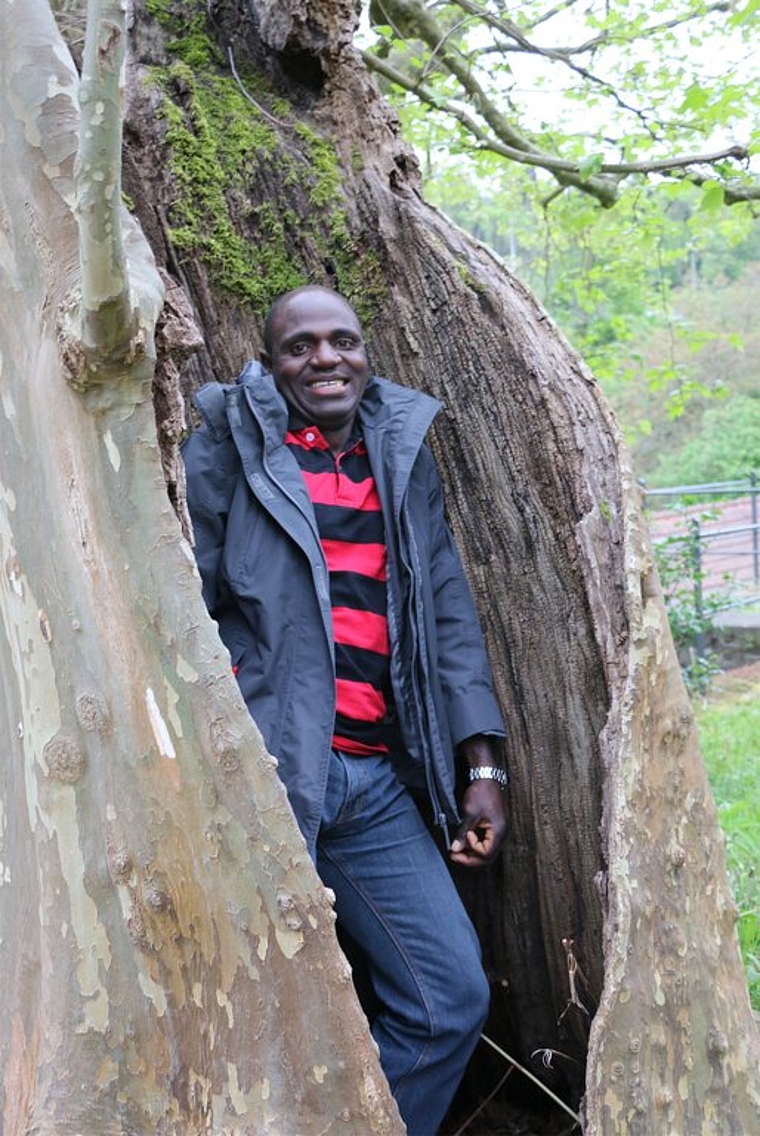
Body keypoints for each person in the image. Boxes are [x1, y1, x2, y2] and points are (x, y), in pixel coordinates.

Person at [182, 285, 508, 1135]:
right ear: (271, 360)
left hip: (370, 786)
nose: (325, 359)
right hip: (261, 782)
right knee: (238, 1009)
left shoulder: (400, 456)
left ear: (367, 352)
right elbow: (185, 598)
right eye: (301, 347)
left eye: (343, 341)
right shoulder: (231, 446)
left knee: (448, 998)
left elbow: (446, 613)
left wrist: (480, 764)